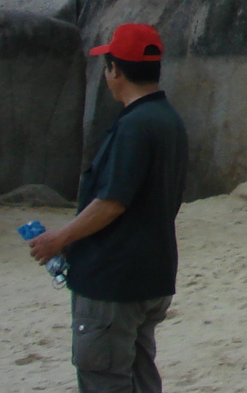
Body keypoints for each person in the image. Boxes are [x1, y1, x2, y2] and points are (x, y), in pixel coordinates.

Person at [25, 22, 188, 393]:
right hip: (152, 274)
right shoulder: (168, 120)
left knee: (104, 378)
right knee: (140, 376)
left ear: (116, 70)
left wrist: (59, 239)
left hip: (114, 281)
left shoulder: (135, 125)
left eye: (108, 66)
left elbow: (112, 202)